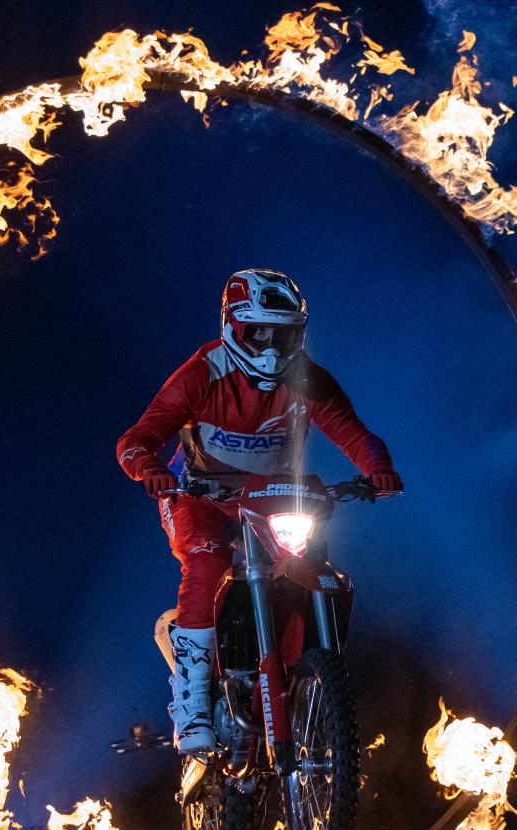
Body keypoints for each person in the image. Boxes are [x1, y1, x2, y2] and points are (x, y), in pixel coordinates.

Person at [115, 268, 402, 753]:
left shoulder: (309, 380)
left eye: (283, 335)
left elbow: (355, 434)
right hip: (199, 495)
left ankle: (304, 679)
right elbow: (138, 438)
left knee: (308, 566)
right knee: (206, 560)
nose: (271, 349)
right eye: (258, 333)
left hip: (273, 500)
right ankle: (192, 700)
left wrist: (379, 470)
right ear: (231, 327)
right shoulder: (203, 373)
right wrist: (149, 469)